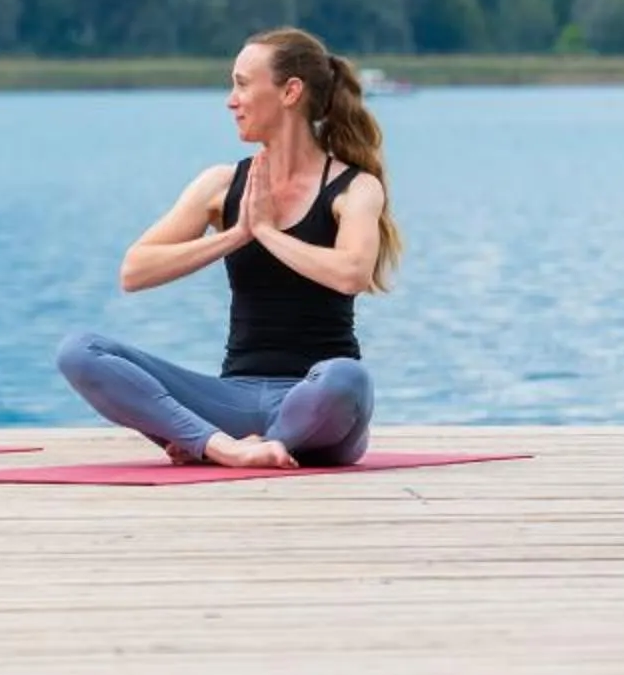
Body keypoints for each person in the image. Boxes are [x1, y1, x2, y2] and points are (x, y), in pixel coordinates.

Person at [56, 27, 400, 468]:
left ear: (290, 92)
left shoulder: (354, 188)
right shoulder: (220, 184)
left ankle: (250, 442)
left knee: (347, 378)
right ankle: (225, 447)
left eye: (241, 83)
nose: (230, 100)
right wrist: (234, 235)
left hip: (315, 400)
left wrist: (267, 232)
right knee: (80, 351)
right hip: (230, 401)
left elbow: (352, 272)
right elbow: (135, 271)